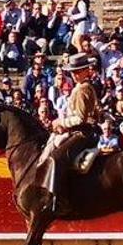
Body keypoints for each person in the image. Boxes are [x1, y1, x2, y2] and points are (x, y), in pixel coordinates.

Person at [40, 52, 100, 213]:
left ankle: (58, 200)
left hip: (82, 133)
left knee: (56, 158)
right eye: (73, 71)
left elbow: (80, 119)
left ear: (87, 70)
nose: (74, 75)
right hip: (82, 131)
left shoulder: (82, 89)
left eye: (78, 71)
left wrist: (61, 122)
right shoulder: (82, 87)